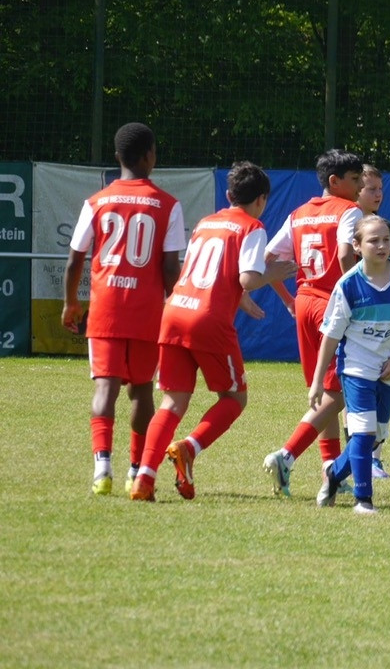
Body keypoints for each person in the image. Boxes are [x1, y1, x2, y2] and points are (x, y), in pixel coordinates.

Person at [129, 163, 295, 501]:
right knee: (234, 399)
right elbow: (248, 277)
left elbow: (205, 271)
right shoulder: (252, 226)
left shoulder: (206, 223)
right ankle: (189, 448)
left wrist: (239, 297)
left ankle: (144, 477)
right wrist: (273, 273)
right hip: (208, 319)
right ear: (262, 199)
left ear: (229, 195)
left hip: (175, 311)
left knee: (173, 401)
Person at [61, 122, 185, 496]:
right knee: (142, 392)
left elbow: (75, 259)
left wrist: (71, 303)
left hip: (106, 311)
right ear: (150, 156)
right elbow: (170, 268)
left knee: (105, 389)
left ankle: (102, 469)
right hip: (147, 313)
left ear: (117, 157)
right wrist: (175, 305)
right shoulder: (168, 205)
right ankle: (136, 469)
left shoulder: (96, 202)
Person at [260, 149, 364, 497]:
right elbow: (346, 253)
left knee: (324, 391)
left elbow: (267, 259)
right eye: (355, 179)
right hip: (333, 304)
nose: (360, 185)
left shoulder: (299, 213)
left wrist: (288, 300)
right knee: (339, 391)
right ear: (335, 181)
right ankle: (287, 454)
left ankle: (330, 472)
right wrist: (359, 294)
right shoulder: (349, 210)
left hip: (305, 303)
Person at [315, 215, 390, 514]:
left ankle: (334, 474)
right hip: (356, 369)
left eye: (386, 240)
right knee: (362, 435)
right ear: (357, 245)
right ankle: (363, 500)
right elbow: (330, 336)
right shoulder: (348, 285)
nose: (381, 246)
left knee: (375, 438)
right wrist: (317, 381)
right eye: (373, 240)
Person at [355, 163, 390, 478]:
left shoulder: (387, 228)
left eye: (380, 189)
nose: (378, 194)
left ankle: (375, 456)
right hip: (355, 323)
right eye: (370, 188)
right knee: (357, 390)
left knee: (387, 384)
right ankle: (356, 456)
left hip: (386, 324)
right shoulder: (347, 225)